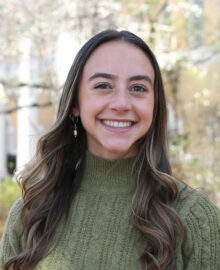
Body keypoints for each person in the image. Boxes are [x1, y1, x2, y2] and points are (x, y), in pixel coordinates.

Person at [0, 30, 220, 270]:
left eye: (138, 88)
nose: (121, 104)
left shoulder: (195, 217)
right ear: (75, 103)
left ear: (154, 105)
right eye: (103, 85)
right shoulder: (30, 215)